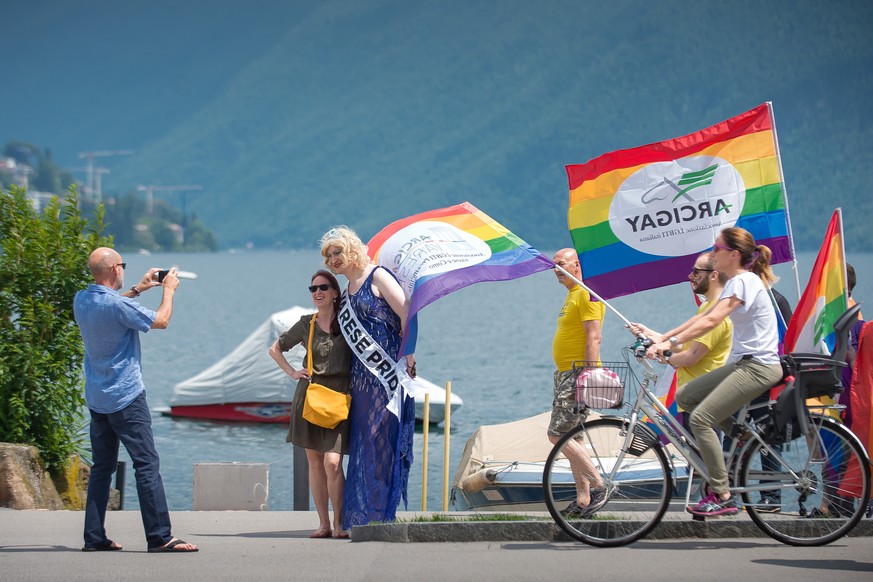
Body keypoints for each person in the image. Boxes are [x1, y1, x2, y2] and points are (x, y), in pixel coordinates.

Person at [644, 227, 784, 518]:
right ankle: (741, 435)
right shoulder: (737, 281)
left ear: (733, 254)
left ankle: (722, 494)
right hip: (744, 363)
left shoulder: (744, 281)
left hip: (759, 366)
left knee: (701, 419)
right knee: (686, 396)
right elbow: (706, 315)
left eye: (717, 248)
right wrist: (663, 338)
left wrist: (668, 343)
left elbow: (712, 322)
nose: (714, 252)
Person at [73, 248, 198, 553]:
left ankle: (94, 537)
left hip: (97, 397)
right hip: (126, 396)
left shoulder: (82, 299)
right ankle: (160, 536)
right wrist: (167, 291)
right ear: (116, 268)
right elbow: (161, 321)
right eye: (123, 266)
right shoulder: (115, 305)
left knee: (102, 467)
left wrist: (140, 288)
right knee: (147, 464)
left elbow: (114, 307)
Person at [320, 226, 417, 530]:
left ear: (352, 250)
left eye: (338, 252)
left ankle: (379, 516)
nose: (333, 259)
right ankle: (361, 518)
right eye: (329, 255)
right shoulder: (347, 290)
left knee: (381, 445)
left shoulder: (377, 276)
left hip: (386, 376)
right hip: (360, 379)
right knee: (364, 446)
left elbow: (407, 312)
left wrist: (410, 354)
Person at [268, 270, 352, 539]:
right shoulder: (307, 323)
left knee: (333, 462)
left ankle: (340, 523)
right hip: (311, 396)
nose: (317, 292)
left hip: (339, 396)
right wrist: (293, 373)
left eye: (324, 287)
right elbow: (275, 349)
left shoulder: (349, 322)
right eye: (313, 288)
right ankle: (323, 524)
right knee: (315, 462)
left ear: (335, 292)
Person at [549, 248, 608, 517]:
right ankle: (583, 499)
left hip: (576, 374)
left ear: (577, 265)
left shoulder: (587, 293)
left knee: (557, 435)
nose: (556, 269)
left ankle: (599, 485)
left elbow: (594, 338)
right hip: (565, 373)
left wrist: (588, 374)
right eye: (554, 265)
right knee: (575, 438)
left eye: (561, 264)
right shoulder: (573, 295)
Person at [629, 251, 732, 388]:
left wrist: (665, 356)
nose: (690, 276)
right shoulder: (706, 306)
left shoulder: (716, 311)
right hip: (693, 390)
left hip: (701, 394)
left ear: (713, 275)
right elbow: (684, 345)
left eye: (696, 272)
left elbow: (691, 357)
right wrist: (652, 335)